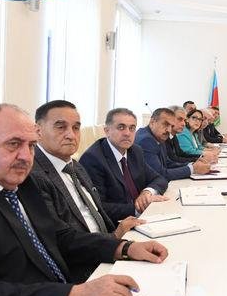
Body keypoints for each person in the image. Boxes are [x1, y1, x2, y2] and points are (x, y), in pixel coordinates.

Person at [0, 104, 169, 296]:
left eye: (31, 145)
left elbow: (59, 235)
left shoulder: (18, 178)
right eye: (13, 144)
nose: (26, 156)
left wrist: (123, 248)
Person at [31, 101, 146, 281]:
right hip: (83, 269)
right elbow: (59, 240)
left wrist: (118, 236)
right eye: (61, 127)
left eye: (76, 128)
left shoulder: (75, 166)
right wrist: (116, 241)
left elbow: (97, 213)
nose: (71, 135)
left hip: (106, 250)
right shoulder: (33, 174)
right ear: (38, 131)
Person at [79, 108, 169, 222]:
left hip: (143, 217)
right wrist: (138, 207)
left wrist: (147, 192)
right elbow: (98, 207)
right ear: (107, 131)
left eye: (132, 128)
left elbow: (159, 178)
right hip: (117, 224)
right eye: (121, 127)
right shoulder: (93, 159)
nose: (127, 133)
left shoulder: (135, 151)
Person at [135, 108, 211, 181]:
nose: (169, 130)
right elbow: (159, 174)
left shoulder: (158, 135)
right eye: (165, 124)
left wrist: (192, 165)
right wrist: (192, 169)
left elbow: (168, 163)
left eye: (171, 126)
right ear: (152, 122)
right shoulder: (146, 140)